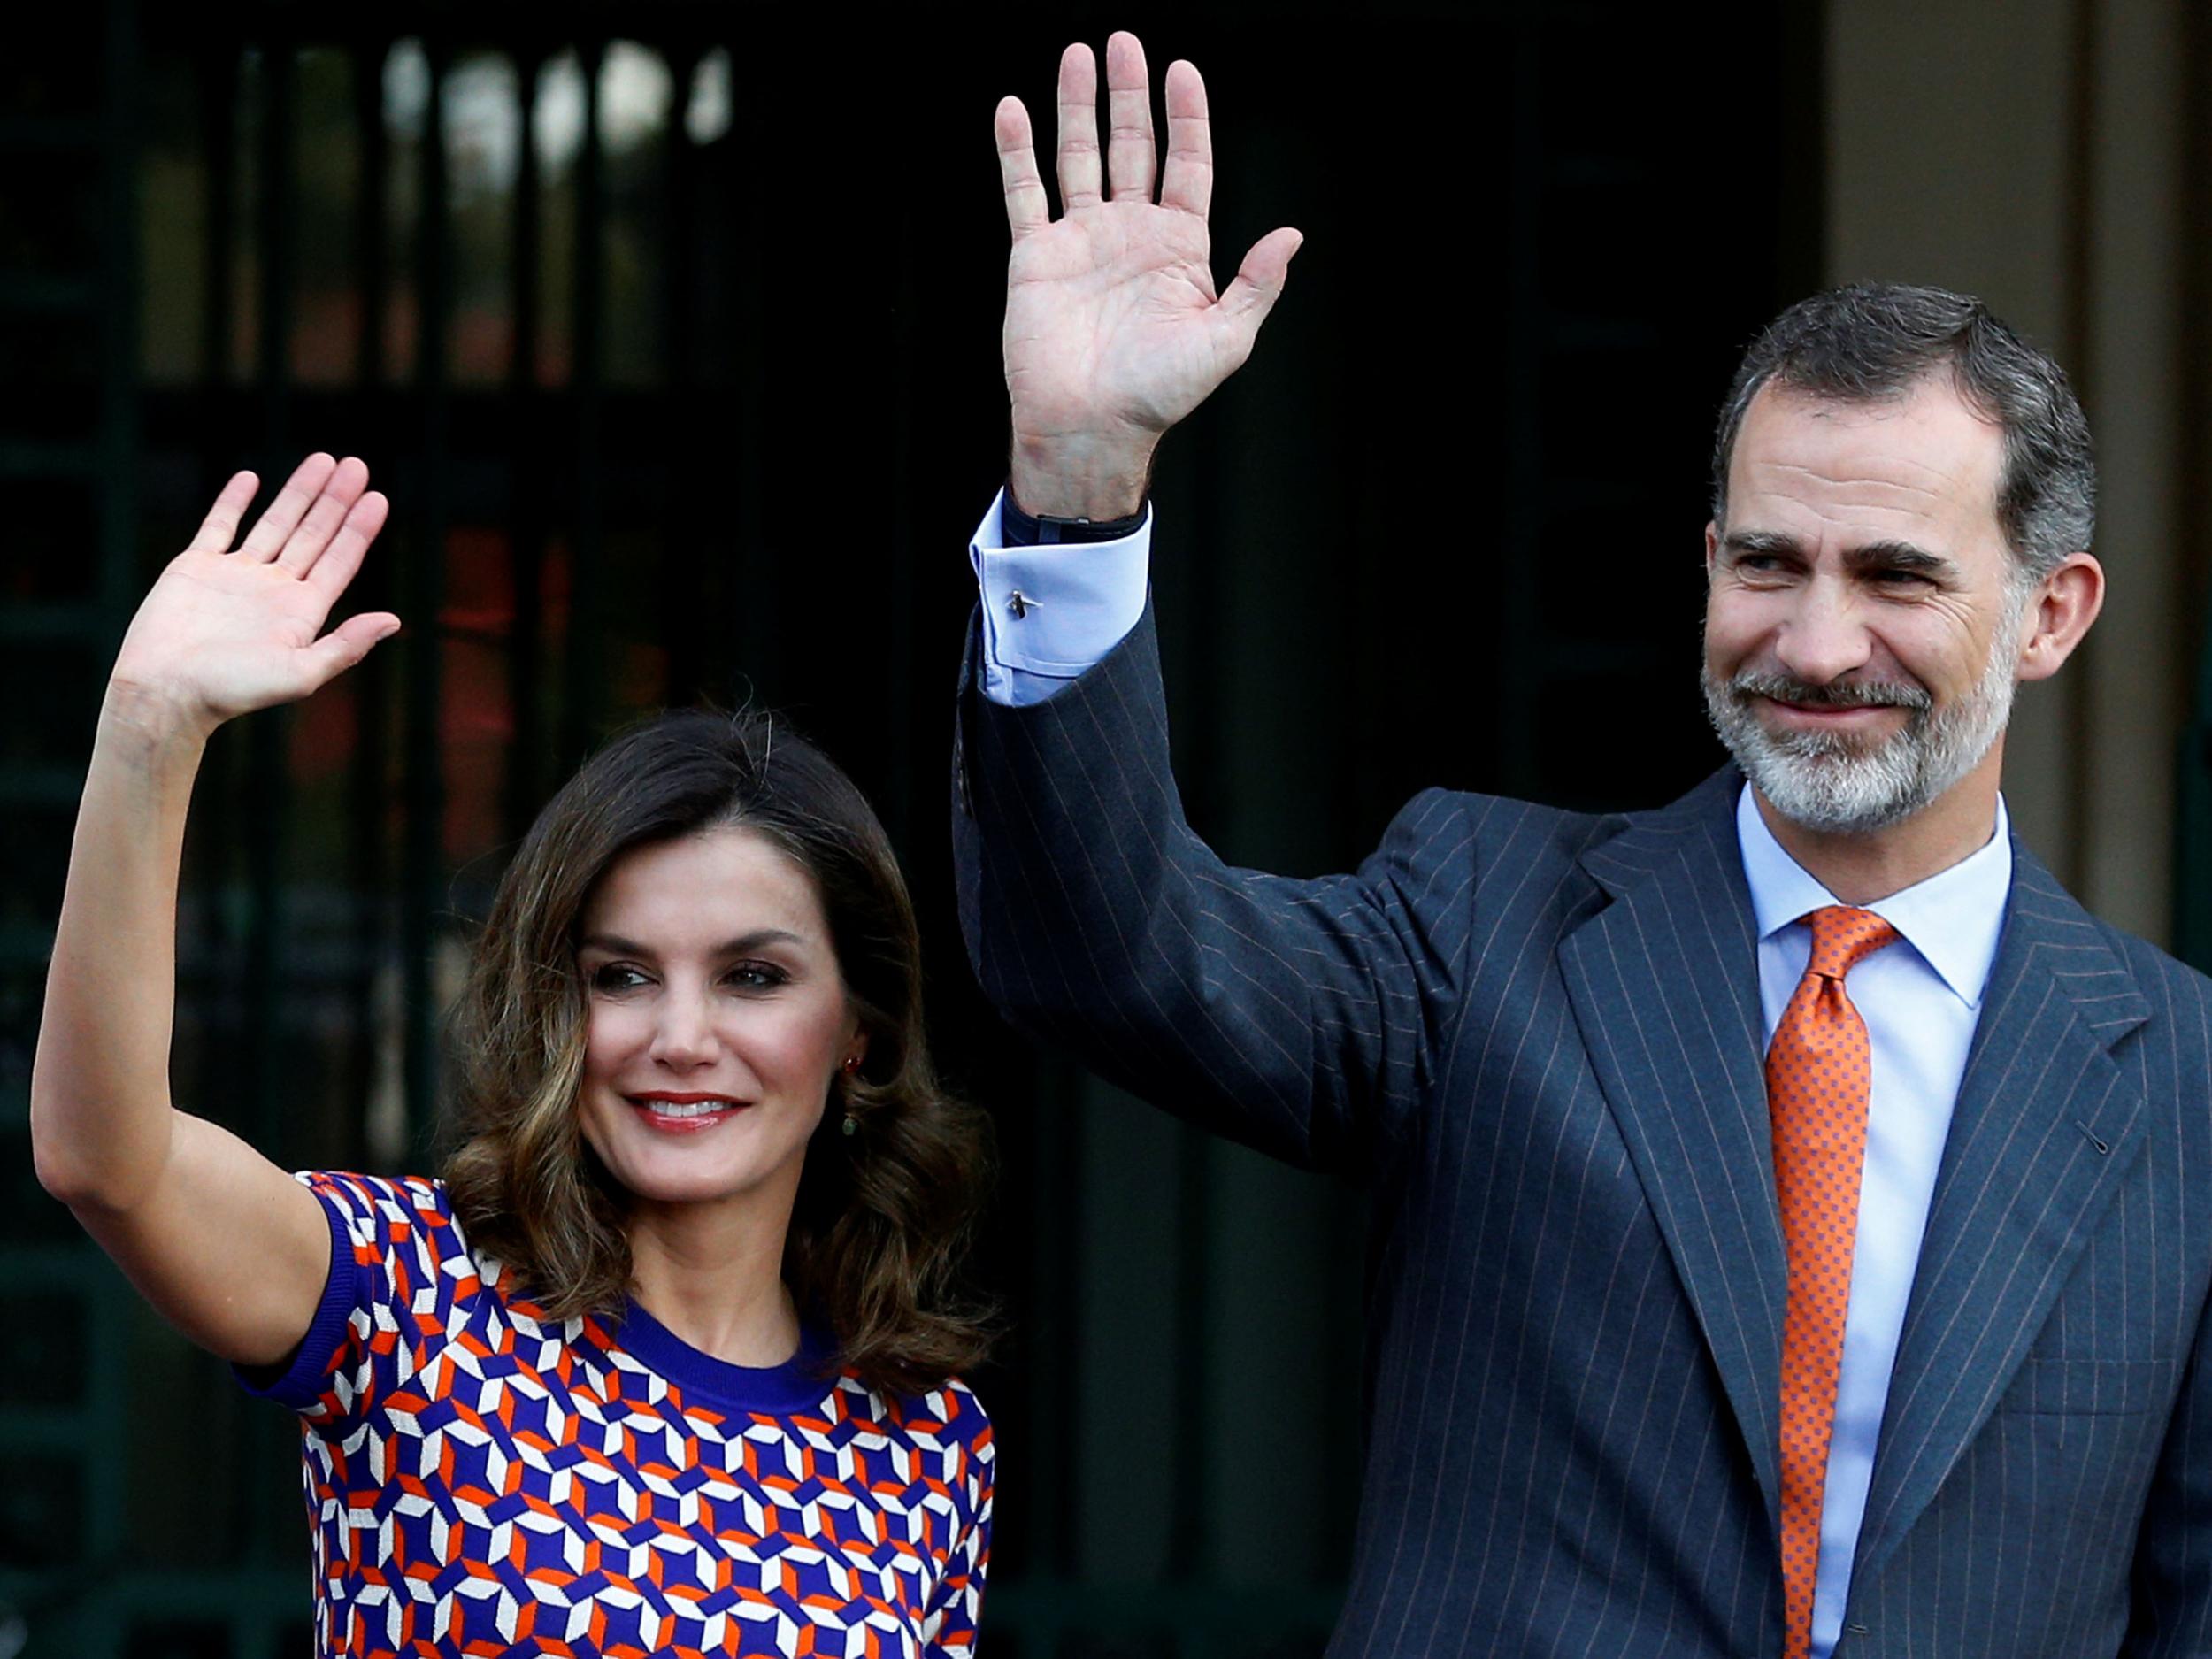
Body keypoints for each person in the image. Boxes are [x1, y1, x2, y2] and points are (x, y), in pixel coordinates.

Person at [952, 30, 2212, 1659]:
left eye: (1897, 577)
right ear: (1705, 563)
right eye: (1768, 563)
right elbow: (1109, 952)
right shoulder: (1484, 922)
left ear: (2053, 613)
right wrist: (1077, 478)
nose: (1817, 644)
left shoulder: (2182, 1086)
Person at [32, 456, 995, 1657]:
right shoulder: (410, 1298)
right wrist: (150, 730)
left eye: (753, 976)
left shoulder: (925, 1447)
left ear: (859, 1033)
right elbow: (103, 1161)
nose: (681, 1039)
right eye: (621, 976)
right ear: (558, 1009)